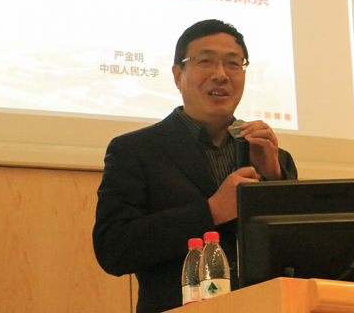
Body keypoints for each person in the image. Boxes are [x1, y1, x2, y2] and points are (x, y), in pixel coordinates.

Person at [93, 19, 297, 313]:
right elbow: (113, 249)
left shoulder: (273, 157)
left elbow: (299, 253)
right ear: (178, 76)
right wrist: (211, 211)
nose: (221, 74)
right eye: (206, 61)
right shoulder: (135, 150)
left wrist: (274, 178)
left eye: (233, 63)